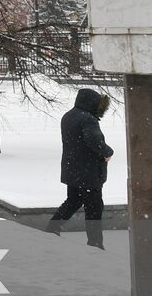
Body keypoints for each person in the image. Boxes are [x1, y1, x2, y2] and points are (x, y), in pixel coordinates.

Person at [46, 88, 114, 249]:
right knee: (94, 208)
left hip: (73, 170)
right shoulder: (88, 120)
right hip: (88, 173)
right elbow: (93, 140)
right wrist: (107, 152)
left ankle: (52, 227)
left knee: (73, 201)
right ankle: (95, 243)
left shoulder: (68, 116)